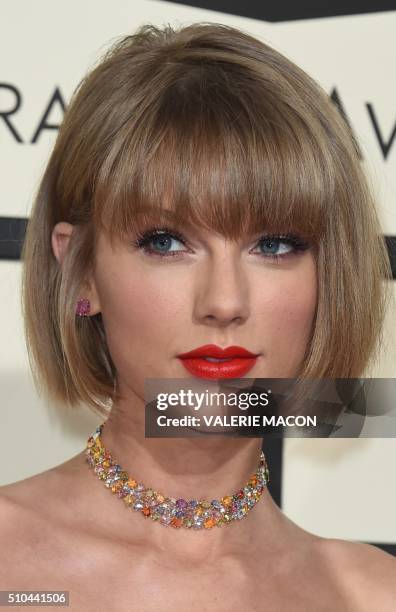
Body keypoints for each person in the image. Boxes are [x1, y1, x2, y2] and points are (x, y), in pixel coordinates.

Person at [1, 21, 395, 610]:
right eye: (164, 242)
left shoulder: (370, 593)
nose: (225, 303)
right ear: (81, 271)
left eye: (276, 244)